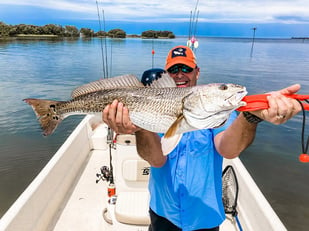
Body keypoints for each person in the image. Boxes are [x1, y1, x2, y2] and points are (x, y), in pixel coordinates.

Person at [102, 45, 302, 231]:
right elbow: (156, 159)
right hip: (163, 213)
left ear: (197, 72)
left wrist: (250, 115)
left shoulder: (218, 112)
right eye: (174, 69)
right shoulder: (155, 108)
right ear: (166, 75)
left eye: (186, 69)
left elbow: (228, 150)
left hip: (204, 218)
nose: (180, 74)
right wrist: (140, 127)